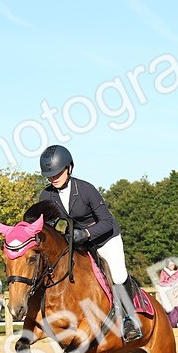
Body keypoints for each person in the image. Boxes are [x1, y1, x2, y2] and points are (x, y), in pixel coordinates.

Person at [37, 144, 141, 341]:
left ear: (69, 168)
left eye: (57, 173)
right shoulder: (47, 195)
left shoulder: (85, 189)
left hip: (104, 237)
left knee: (118, 275)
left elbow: (108, 222)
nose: (53, 178)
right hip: (76, 241)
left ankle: (128, 319)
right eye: (49, 175)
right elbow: (46, 225)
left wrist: (85, 233)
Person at [158, 259, 178, 328]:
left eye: (172, 265)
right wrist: (169, 284)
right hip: (168, 292)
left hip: (177, 292)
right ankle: (172, 324)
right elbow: (161, 282)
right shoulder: (164, 272)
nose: (171, 266)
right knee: (170, 310)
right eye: (170, 265)